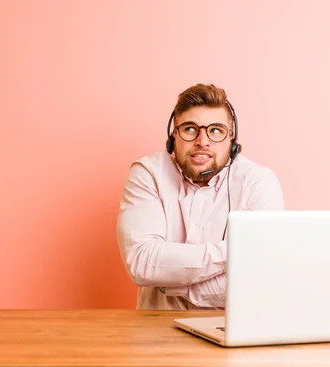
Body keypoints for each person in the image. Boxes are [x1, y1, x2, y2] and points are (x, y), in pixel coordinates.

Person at [116, 83, 284, 310]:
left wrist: (175, 286)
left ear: (231, 139)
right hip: (156, 336)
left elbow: (262, 279)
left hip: (233, 334)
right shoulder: (148, 173)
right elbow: (142, 262)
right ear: (173, 137)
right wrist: (234, 250)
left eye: (215, 130)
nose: (202, 141)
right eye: (190, 129)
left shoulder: (258, 182)